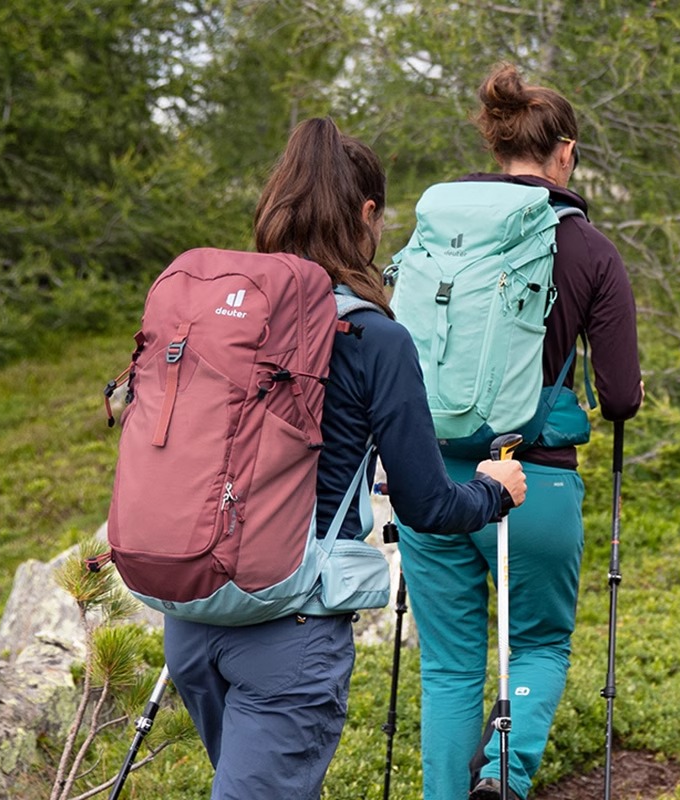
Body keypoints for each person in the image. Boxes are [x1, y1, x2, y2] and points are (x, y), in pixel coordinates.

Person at [162, 116, 527, 800]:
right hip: (287, 629)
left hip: (191, 620)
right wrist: (493, 490)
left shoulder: (224, 316)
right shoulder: (373, 337)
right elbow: (425, 505)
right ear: (366, 215)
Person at [396, 63, 644, 800]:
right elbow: (622, 396)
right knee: (536, 643)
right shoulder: (590, 250)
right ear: (564, 152)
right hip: (532, 477)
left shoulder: (436, 232)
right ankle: (502, 777)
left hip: (429, 476)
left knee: (447, 667)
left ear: (496, 143)